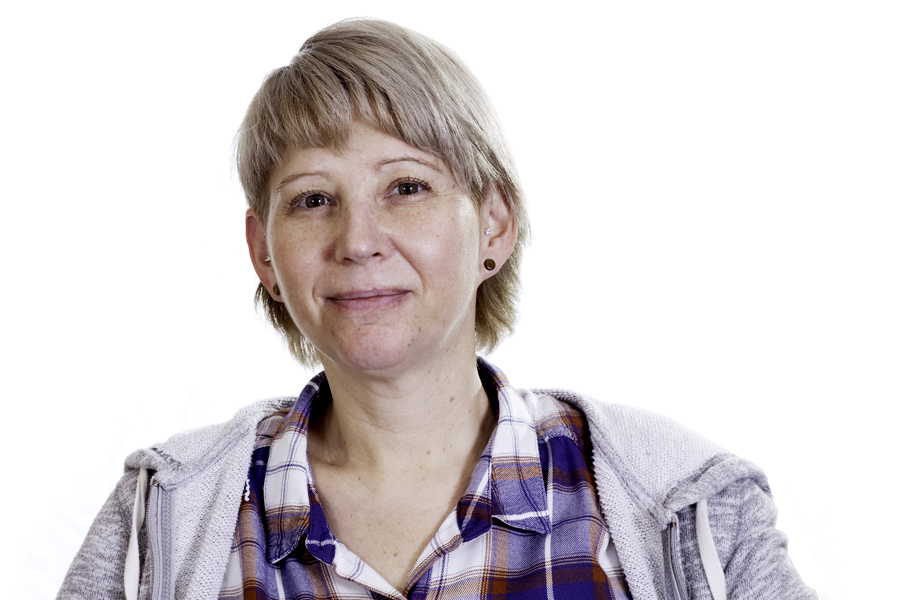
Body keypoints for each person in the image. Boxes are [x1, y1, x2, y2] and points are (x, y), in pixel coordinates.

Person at [57, 18, 817, 600]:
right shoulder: (161, 516)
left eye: (407, 187)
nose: (357, 240)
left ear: (494, 223)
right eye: (313, 200)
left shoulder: (689, 507)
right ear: (264, 253)